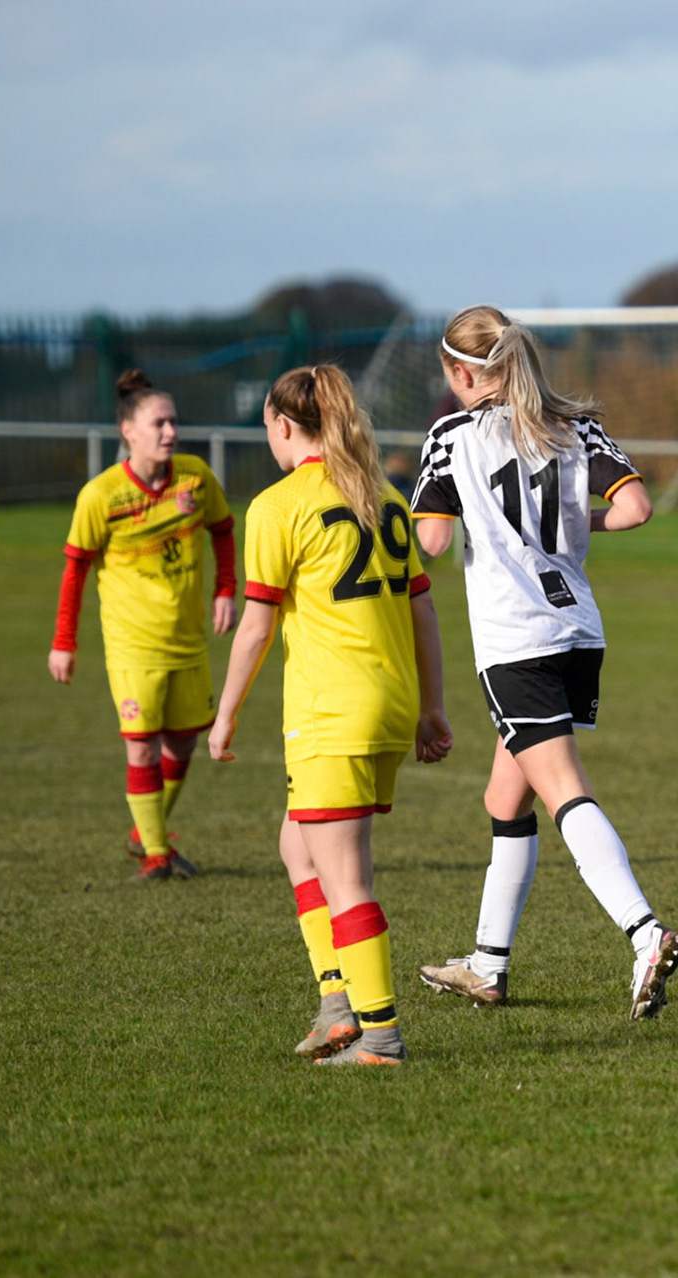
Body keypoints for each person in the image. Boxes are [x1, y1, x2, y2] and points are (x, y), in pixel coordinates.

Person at [412, 305, 678, 1018]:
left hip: (516, 641)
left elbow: (435, 543)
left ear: (458, 371)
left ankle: (645, 932)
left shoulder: (450, 436)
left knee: (562, 788)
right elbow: (635, 510)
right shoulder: (573, 424)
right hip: (577, 629)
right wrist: (572, 522)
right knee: (505, 799)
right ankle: (488, 965)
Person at [209, 365, 453, 1066]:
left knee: (345, 875)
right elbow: (424, 610)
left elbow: (254, 629)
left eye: (267, 428)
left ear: (283, 425)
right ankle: (336, 1004)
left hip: (332, 713)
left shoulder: (279, 506)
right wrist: (431, 708)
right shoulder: (382, 496)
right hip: (388, 700)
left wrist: (225, 715)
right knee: (297, 844)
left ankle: (378, 1037)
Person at [48, 369, 236, 881]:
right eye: (159, 423)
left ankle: (143, 830)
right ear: (129, 431)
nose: (170, 431)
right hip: (132, 647)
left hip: (189, 642)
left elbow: (223, 529)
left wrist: (225, 589)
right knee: (142, 745)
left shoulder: (194, 478)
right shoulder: (101, 496)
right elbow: (75, 569)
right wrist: (64, 641)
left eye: (174, 421)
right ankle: (156, 853)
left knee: (182, 744)